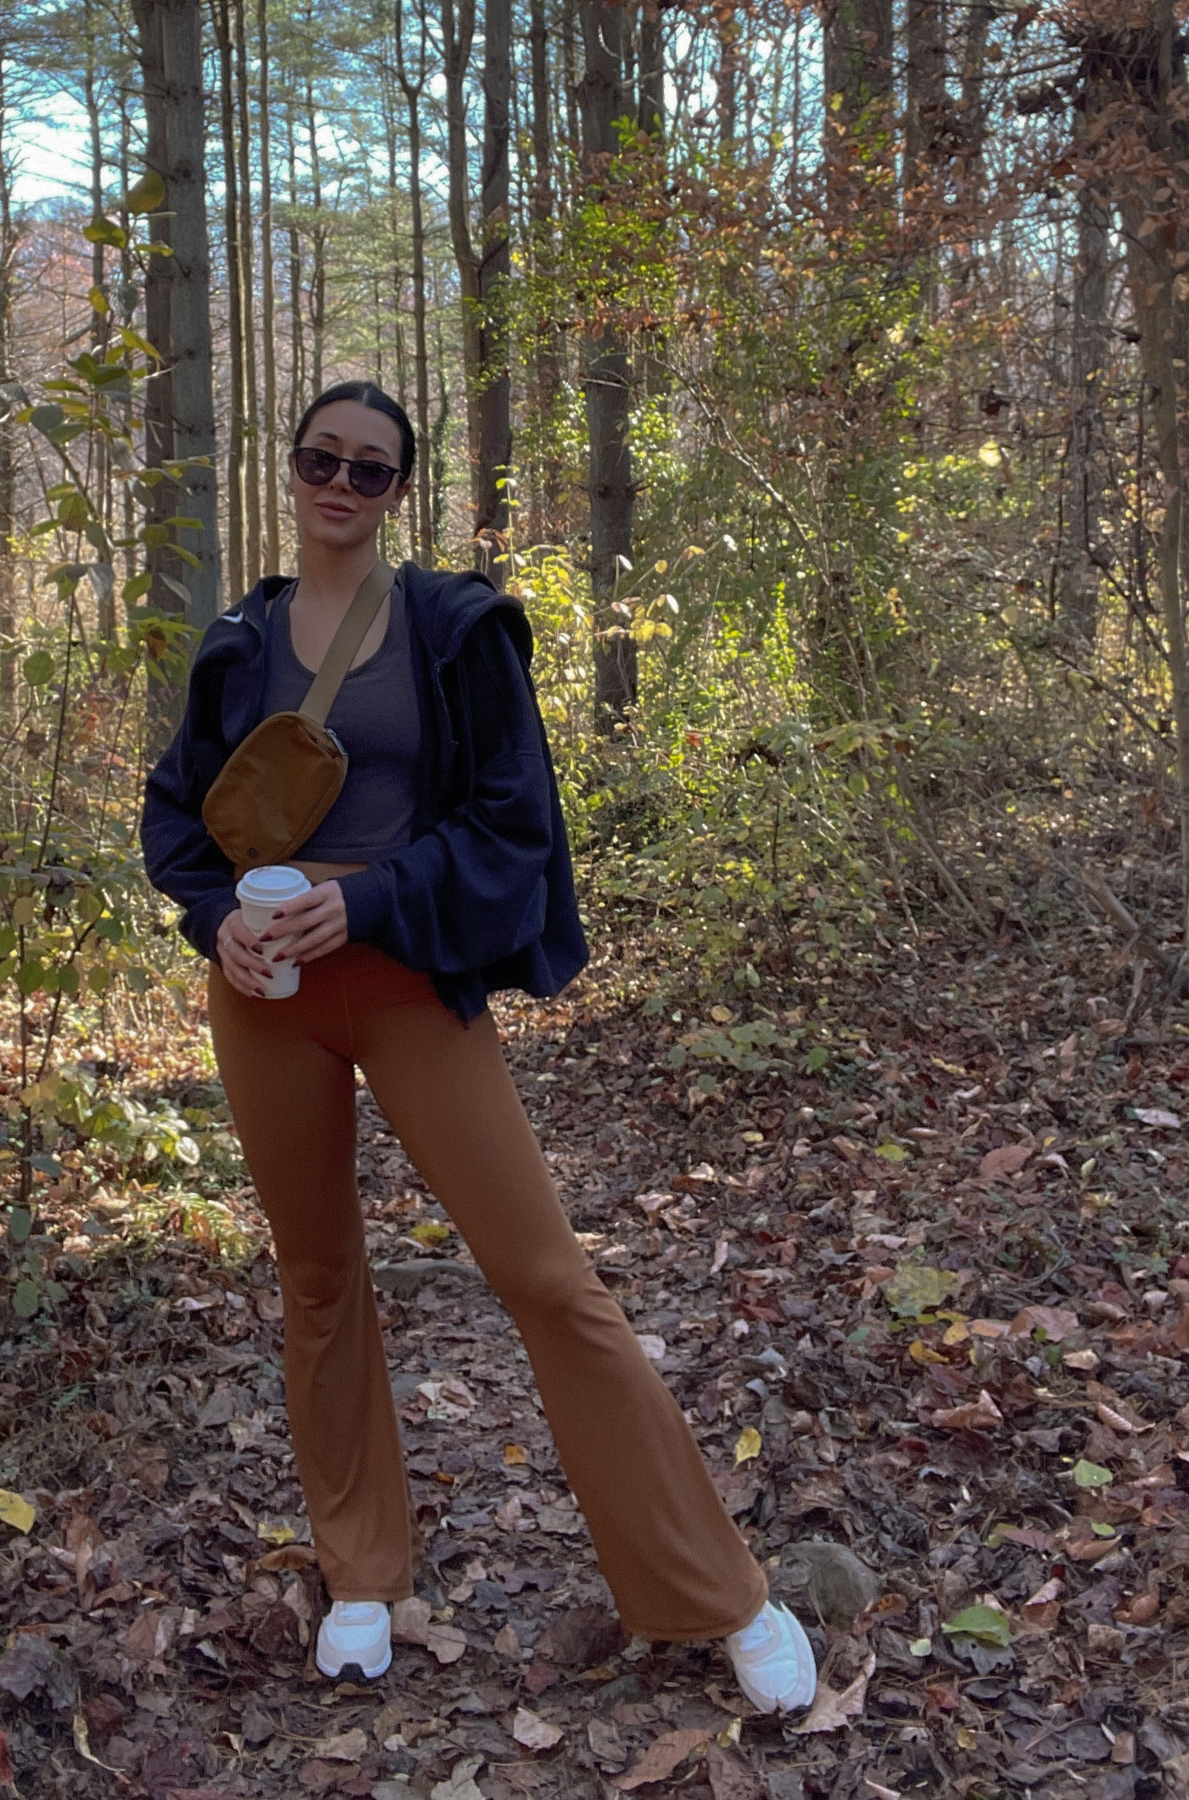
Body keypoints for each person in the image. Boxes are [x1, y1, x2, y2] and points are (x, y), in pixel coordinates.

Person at [140, 380, 816, 1712]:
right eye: (320, 459)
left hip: (403, 980)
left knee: (545, 1274)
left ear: (400, 489)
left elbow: (511, 821)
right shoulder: (239, 638)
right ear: (290, 470)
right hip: (267, 995)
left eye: (369, 468)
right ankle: (358, 1575)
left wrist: (370, 901)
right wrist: (217, 920)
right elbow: (179, 819)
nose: (340, 483)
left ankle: (721, 1593)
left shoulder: (450, 629)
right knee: (318, 1274)